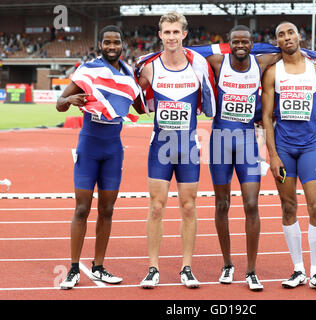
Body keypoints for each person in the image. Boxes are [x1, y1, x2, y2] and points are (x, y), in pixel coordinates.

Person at [56, 25, 145, 289]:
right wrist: (70, 100)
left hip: (113, 150)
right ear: (100, 45)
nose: (111, 47)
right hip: (89, 146)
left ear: (122, 45)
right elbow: (60, 102)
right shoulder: (88, 70)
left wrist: (151, 82)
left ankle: (98, 266)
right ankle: (73, 269)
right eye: (106, 43)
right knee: (82, 209)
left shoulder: (130, 75)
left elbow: (141, 106)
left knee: (107, 210)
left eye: (116, 42)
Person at [136, 12, 215, 289]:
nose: (171, 37)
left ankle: (186, 268)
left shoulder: (198, 66)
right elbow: (133, 96)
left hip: (188, 148)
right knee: (156, 207)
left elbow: (210, 101)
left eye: (175, 32)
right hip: (160, 147)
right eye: (166, 32)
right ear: (160, 35)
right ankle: (153, 268)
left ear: (184, 34)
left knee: (189, 207)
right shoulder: (149, 68)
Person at [203, 25, 282, 291]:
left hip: (248, 142)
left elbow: (286, 50)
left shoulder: (260, 63)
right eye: (235, 41)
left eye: (245, 41)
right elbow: (188, 53)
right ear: (228, 43)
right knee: (222, 204)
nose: (240, 45)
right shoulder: (217, 61)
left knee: (251, 204)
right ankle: (227, 264)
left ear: (252, 43)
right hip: (220, 143)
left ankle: (251, 270)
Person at [261, 21, 316, 293]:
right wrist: (272, 155)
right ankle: (298, 269)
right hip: (283, 149)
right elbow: (267, 117)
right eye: (280, 35)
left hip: (310, 147)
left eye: (290, 32)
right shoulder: (272, 73)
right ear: (277, 42)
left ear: (299, 35)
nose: (286, 37)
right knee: (288, 207)